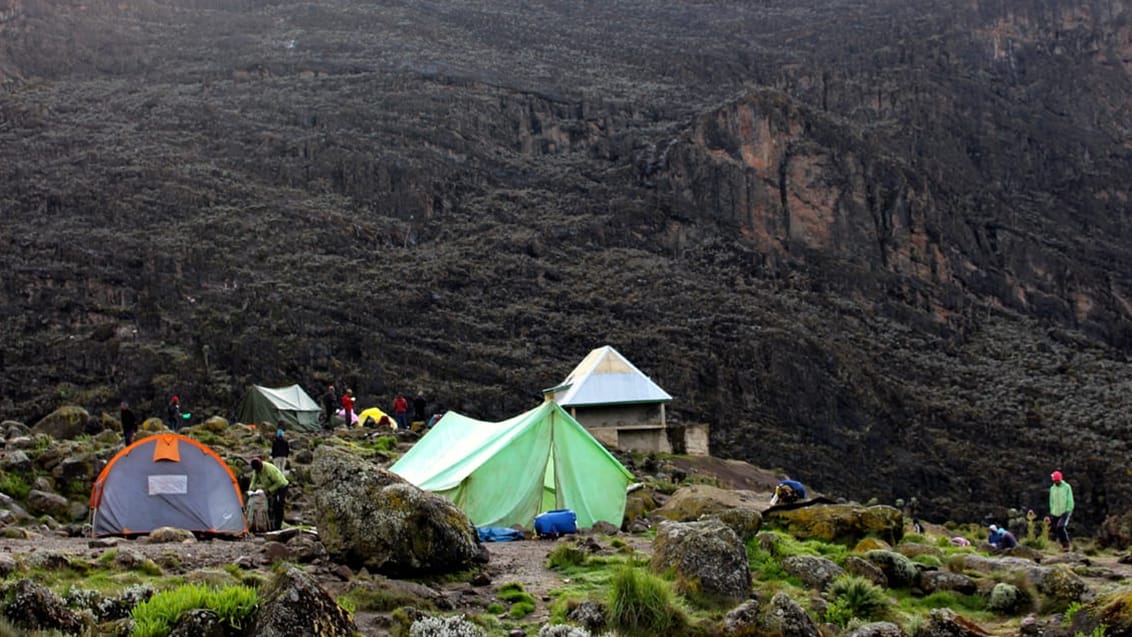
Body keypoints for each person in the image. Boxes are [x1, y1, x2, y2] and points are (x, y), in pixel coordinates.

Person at [249, 457, 289, 531]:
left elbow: (279, 482)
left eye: (259, 469)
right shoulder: (256, 470)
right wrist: (251, 489)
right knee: (270, 506)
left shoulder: (269, 470)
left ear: (261, 465)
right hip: (271, 487)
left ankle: (278, 526)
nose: (258, 471)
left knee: (279, 505)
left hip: (282, 486)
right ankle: (270, 525)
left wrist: (269, 490)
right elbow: (254, 480)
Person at [1049, 470, 1075, 552]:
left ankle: (1066, 544)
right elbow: (1051, 500)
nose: (1054, 481)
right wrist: (1051, 509)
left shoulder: (1067, 487)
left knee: (1060, 527)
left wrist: (1068, 509)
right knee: (1057, 528)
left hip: (1065, 511)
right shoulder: (1052, 488)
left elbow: (1070, 498)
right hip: (1055, 512)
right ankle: (1063, 545)